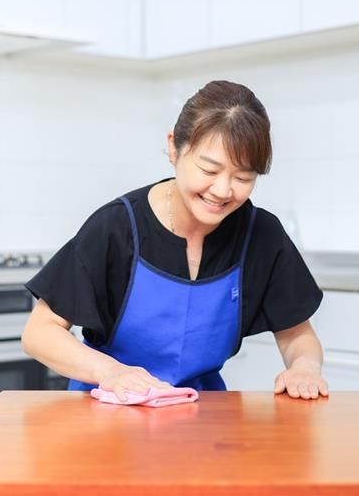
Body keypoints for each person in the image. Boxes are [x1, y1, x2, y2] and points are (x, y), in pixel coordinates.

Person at [22, 80, 327, 401]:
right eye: (209, 170)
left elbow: (297, 335)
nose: (223, 190)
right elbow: (39, 332)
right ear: (174, 147)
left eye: (242, 177)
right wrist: (111, 372)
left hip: (201, 412)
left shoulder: (260, 234)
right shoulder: (117, 227)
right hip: (109, 408)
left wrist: (304, 368)